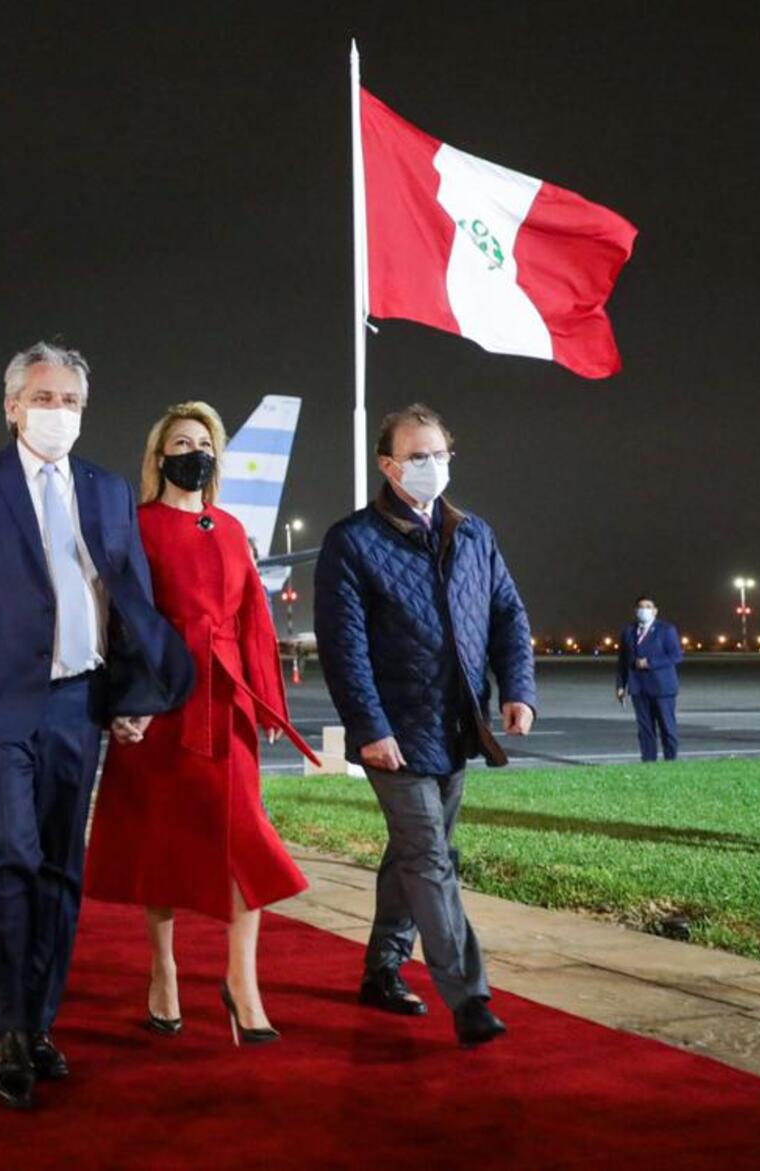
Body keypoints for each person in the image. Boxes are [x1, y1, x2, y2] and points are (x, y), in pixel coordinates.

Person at [0, 341, 193, 1109]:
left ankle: (37, 1023)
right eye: (43, 397)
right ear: (11, 405)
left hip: (79, 701)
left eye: (69, 401)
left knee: (62, 867)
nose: (56, 412)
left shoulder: (106, 490)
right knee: (11, 853)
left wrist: (133, 695)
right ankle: (4, 1028)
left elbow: (129, 602)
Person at [85, 401, 314, 1044]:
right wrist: (123, 701)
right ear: (160, 458)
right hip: (160, 702)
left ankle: (242, 981)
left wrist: (267, 697)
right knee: (162, 842)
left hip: (227, 700)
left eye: (205, 443)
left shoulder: (233, 527)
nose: (196, 452)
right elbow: (118, 621)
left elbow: (253, 621)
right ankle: (164, 971)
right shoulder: (136, 526)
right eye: (183, 442)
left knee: (244, 841)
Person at [315, 403, 534, 1048]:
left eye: (439, 454)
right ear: (387, 464)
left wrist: (518, 689)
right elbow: (344, 649)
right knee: (431, 856)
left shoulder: (473, 534)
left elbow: (508, 617)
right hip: (396, 732)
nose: (431, 466)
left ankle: (383, 968)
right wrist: (369, 726)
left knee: (416, 852)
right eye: (417, 456)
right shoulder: (353, 541)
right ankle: (469, 997)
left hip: (457, 725)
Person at [615, 596, 684, 762]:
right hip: (638, 688)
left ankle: (671, 761)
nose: (643, 609)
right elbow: (623, 660)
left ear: (655, 611)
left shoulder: (666, 630)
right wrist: (620, 685)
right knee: (645, 729)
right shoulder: (628, 631)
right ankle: (648, 762)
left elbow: (676, 656)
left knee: (667, 727)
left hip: (662, 688)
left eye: (648, 606)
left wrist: (650, 663)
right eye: (640, 606)